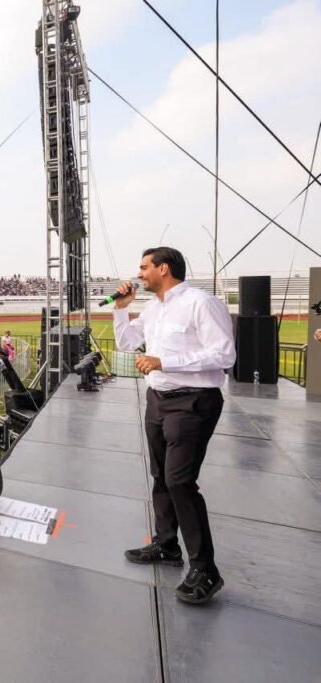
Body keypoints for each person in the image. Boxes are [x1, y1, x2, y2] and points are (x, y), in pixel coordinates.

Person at [113, 246, 236, 605]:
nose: (138, 274)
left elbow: (225, 354)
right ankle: (167, 545)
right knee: (161, 476)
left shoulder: (201, 302)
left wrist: (165, 361)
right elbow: (127, 343)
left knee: (180, 480)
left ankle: (206, 569)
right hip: (158, 401)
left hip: (193, 402)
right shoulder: (153, 308)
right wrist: (122, 310)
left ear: (163, 269)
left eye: (144, 267)